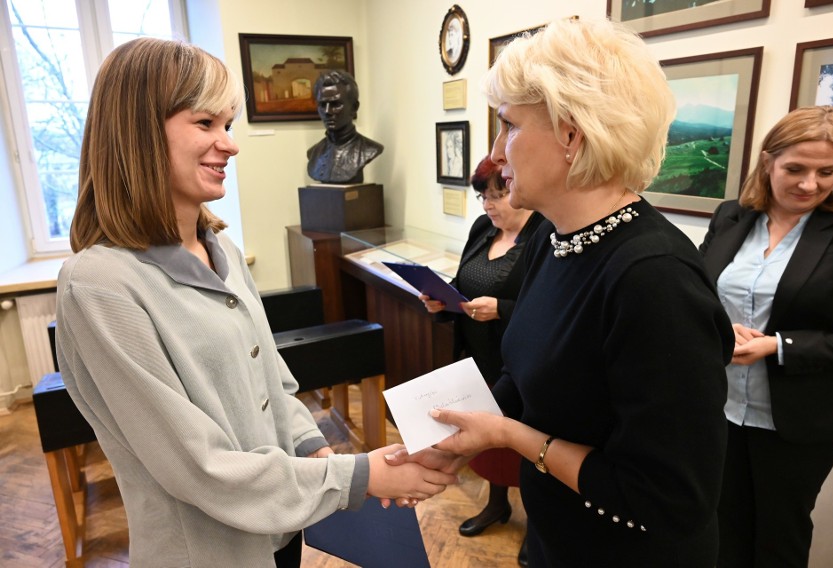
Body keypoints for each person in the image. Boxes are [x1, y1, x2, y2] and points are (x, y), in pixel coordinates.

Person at [55, 38, 456, 568]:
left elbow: (271, 383)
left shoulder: (221, 248)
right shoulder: (101, 285)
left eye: (230, 125)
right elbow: (198, 466)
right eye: (205, 124)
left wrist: (317, 451)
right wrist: (359, 476)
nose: (230, 144)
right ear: (140, 134)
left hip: (279, 535)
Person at [389, 17, 734, 567]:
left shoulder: (654, 279)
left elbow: (670, 499)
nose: (497, 152)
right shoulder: (555, 235)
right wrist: (457, 433)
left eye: (509, 126)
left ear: (572, 135)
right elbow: (525, 370)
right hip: (557, 538)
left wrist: (510, 435)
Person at [698, 105, 833, 568]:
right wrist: (718, 325)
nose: (810, 184)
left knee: (779, 537)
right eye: (795, 169)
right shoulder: (731, 217)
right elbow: (701, 294)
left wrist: (778, 346)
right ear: (767, 163)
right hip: (721, 408)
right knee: (723, 525)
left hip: (799, 420)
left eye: (827, 171)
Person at [419, 155, 543, 565]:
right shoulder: (482, 229)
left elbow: (547, 306)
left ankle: (536, 526)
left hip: (524, 361)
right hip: (478, 355)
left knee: (522, 439)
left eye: (498, 194)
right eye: (483, 196)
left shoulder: (543, 235)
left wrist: (502, 310)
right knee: (487, 437)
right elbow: (464, 281)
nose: (489, 205)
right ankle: (497, 505)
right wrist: (441, 299)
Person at [306, 70, 383, 184]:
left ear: (354, 108)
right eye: (322, 105)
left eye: (335, 104)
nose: (327, 111)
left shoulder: (369, 149)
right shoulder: (314, 152)